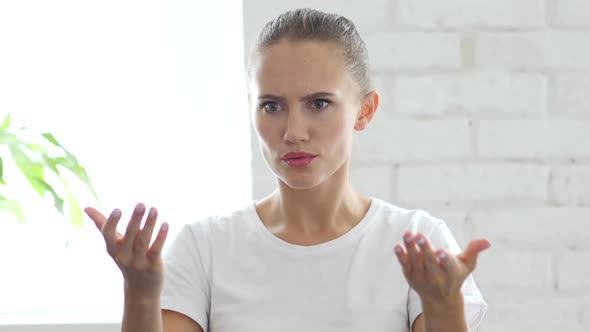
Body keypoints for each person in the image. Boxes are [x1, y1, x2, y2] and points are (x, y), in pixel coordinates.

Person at [85, 8, 491, 332]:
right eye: (272, 106)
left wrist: (443, 304)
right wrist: (140, 293)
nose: (294, 132)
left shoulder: (416, 242)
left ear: (364, 110)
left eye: (318, 103)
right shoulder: (203, 248)